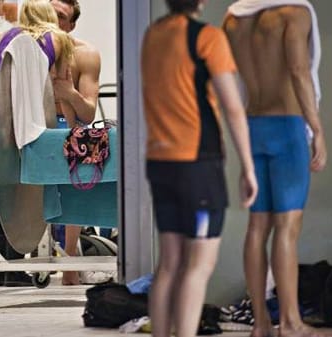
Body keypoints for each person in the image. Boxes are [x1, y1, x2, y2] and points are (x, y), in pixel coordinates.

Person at [141, 1, 258, 337]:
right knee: (198, 266)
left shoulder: (153, 35)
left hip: (160, 163)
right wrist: (248, 168)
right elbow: (234, 108)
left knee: (169, 263)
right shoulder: (208, 37)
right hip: (197, 166)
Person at [224, 2, 328, 337]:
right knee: (287, 228)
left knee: (257, 227)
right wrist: (318, 130)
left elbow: (232, 80)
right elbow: (299, 70)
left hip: (252, 127)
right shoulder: (292, 14)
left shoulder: (233, 18)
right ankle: (292, 323)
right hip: (286, 128)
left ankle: (261, 324)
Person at [0, 0, 74, 287]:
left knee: (0, 177)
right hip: (32, 108)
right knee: (29, 180)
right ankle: (19, 260)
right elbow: (60, 82)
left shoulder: (10, 36)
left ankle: (2, 263)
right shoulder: (60, 39)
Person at [49, 0, 101, 286]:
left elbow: (88, 113)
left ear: (70, 25)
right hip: (37, 127)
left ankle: (70, 254)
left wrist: (68, 93)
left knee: (77, 170)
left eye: (60, 17)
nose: (52, 21)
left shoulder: (85, 54)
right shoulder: (28, 52)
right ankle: (10, 255)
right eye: (48, 14)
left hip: (71, 128)